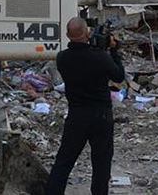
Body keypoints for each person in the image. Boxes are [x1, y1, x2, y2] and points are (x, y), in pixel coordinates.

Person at [46, 18, 125, 195]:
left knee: (63, 162)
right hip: (101, 116)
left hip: (77, 115)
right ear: (87, 33)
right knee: (101, 165)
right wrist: (114, 51)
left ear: (67, 35)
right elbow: (119, 76)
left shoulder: (62, 58)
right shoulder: (100, 57)